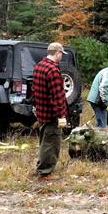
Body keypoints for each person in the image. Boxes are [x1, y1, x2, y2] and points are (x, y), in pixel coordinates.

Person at [32, 42, 68, 180]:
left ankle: (41, 167)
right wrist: (61, 115)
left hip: (42, 112)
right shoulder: (53, 70)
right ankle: (45, 172)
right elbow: (57, 96)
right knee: (51, 143)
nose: (61, 57)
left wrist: (36, 107)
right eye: (61, 54)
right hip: (52, 114)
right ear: (57, 53)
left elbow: (34, 90)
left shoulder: (39, 66)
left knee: (44, 141)